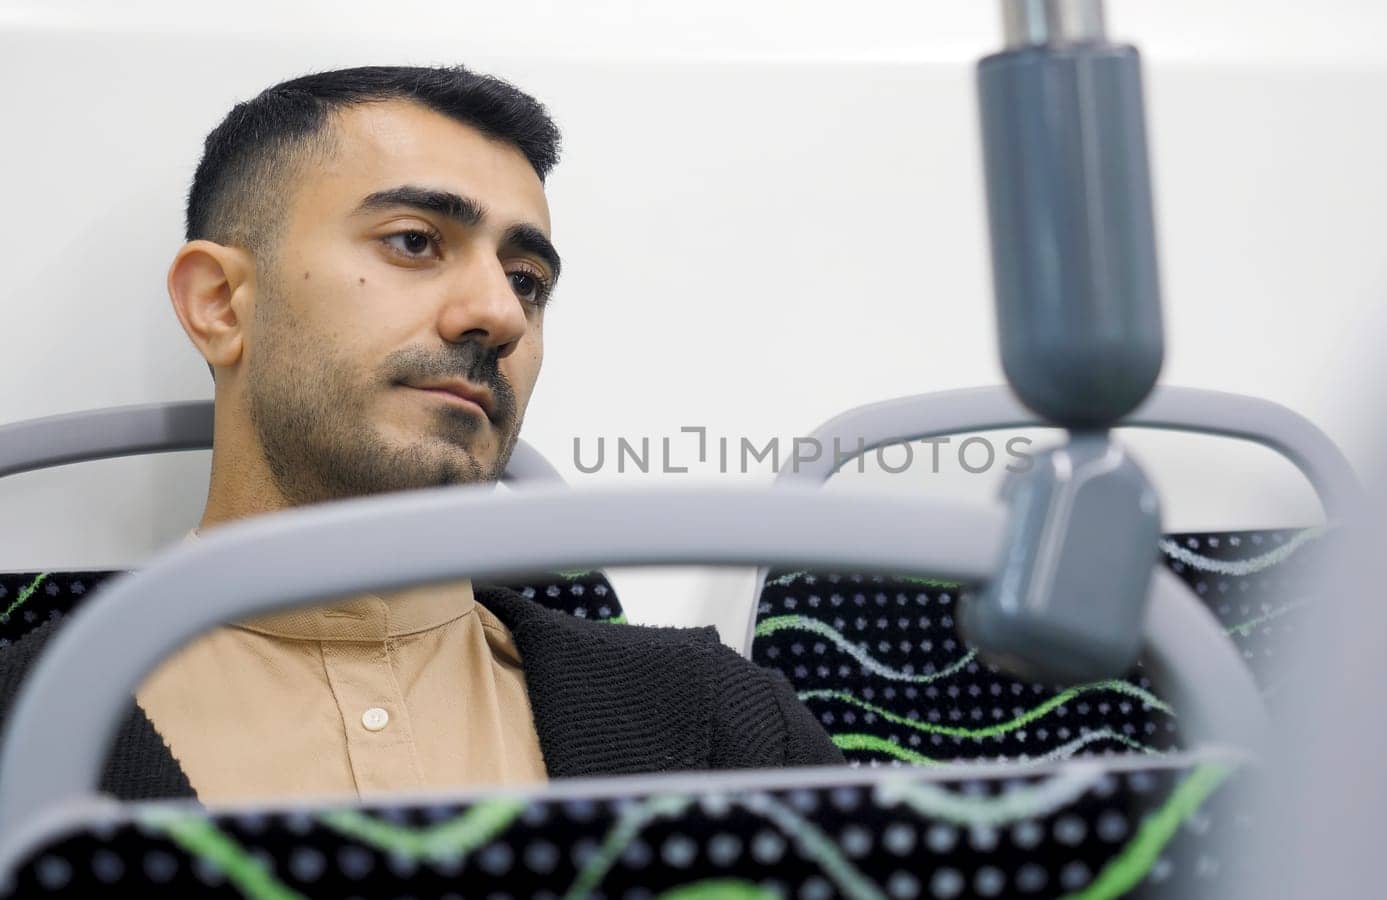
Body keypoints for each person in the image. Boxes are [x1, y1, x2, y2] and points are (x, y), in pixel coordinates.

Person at [0, 65, 842, 805]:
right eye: (414, 242)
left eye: (527, 280)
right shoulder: (20, 741)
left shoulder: (719, 729)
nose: (500, 314)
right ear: (220, 303)